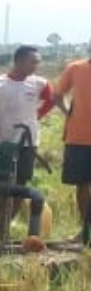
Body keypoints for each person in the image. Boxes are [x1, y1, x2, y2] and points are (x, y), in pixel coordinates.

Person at [0, 45, 56, 150]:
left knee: (26, 167)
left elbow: (53, 100)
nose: (36, 66)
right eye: (33, 62)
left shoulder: (40, 83)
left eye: (37, 62)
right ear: (19, 61)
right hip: (3, 141)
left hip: (29, 140)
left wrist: (38, 114)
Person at [54, 51, 91, 244]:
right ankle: (86, 231)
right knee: (82, 185)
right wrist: (69, 113)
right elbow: (57, 95)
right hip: (78, 137)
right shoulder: (75, 68)